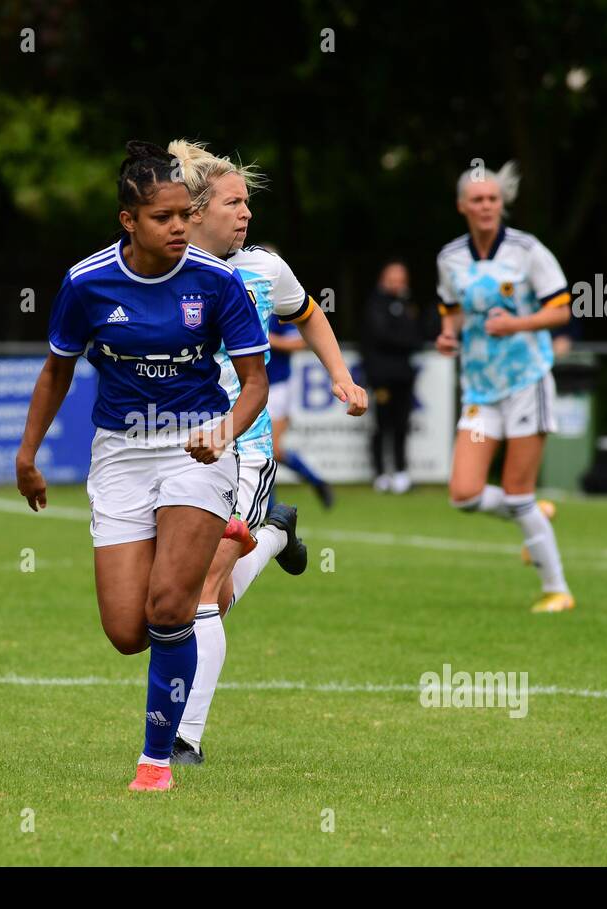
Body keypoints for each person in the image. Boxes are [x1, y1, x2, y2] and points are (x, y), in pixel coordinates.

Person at [15, 141, 269, 792]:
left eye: (185, 214)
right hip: (121, 454)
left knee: (170, 606)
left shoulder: (217, 281)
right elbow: (56, 371)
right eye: (163, 217)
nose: (180, 227)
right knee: (128, 630)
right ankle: (235, 544)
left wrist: (224, 432)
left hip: (195, 448)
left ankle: (157, 761)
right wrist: (27, 453)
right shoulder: (87, 283)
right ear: (128, 221)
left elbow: (254, 383)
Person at [163, 140, 367, 765]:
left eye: (247, 203)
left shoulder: (264, 269)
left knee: (200, 594)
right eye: (233, 203)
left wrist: (341, 377)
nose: (246, 213)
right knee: (197, 597)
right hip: (176, 449)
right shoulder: (162, 269)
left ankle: (185, 739)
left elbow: (308, 314)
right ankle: (276, 534)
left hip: (244, 450)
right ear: (197, 211)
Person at [436, 161, 576, 613]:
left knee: (517, 492)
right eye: (477, 199)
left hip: (526, 383)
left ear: (502, 203)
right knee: (465, 494)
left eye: (493, 199)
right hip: (481, 391)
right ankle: (536, 512)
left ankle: (557, 590)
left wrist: (517, 324)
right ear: (462, 206)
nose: (486, 206)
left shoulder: (527, 250)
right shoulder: (450, 258)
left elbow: (561, 309)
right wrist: (448, 335)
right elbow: (451, 309)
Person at [362, 260, 427, 493]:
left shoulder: (407, 304)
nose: (397, 284)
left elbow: (418, 335)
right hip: (382, 377)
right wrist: (406, 337)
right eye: (393, 279)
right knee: (382, 425)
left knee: (402, 425)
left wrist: (406, 336)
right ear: (383, 279)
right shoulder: (375, 304)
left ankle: (400, 471)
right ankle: (380, 473)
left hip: (403, 376)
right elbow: (382, 336)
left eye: (401, 279)